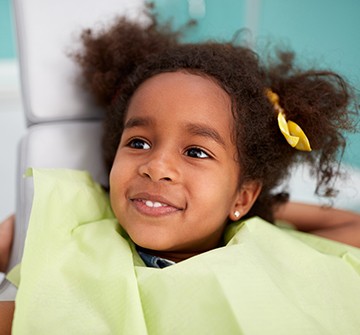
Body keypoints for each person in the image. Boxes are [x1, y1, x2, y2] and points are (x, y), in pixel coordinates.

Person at [1, 6, 360, 334]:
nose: (156, 167)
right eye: (138, 143)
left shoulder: (263, 247)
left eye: (196, 151)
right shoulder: (74, 220)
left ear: (244, 194)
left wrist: (245, 207)